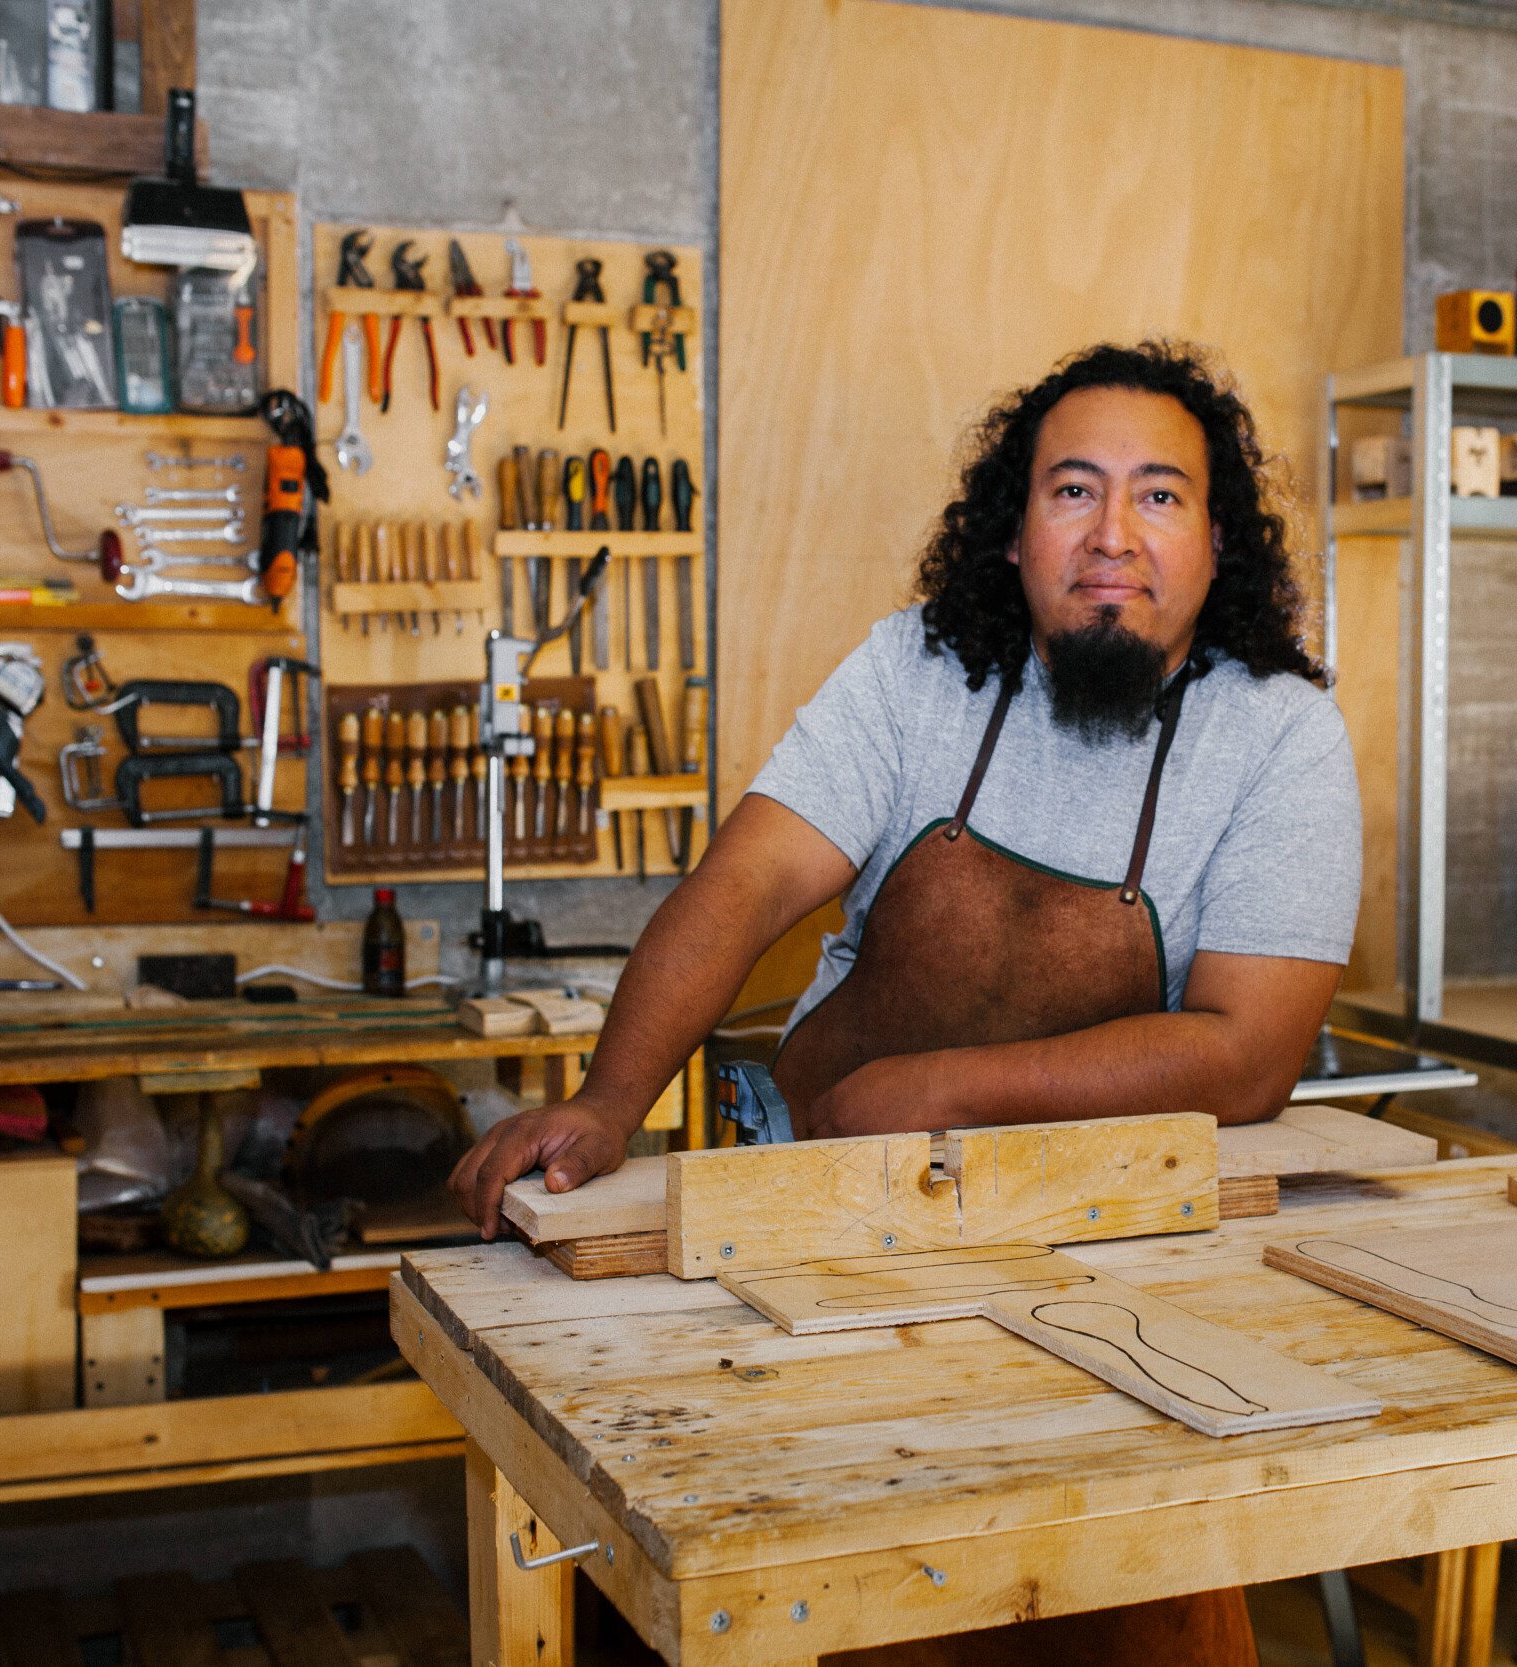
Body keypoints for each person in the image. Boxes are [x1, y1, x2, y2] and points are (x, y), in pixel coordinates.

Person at [450, 340, 1361, 1664]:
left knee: (1121, 1604)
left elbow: (1250, 1054)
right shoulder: (915, 671)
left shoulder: (1278, 731)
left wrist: (946, 1090)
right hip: (820, 1231)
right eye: (1073, 491)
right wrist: (606, 1100)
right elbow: (749, 882)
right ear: (1013, 533)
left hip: (1102, 1262)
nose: (1114, 536)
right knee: (779, 1583)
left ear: (1217, 543)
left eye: (1160, 495)